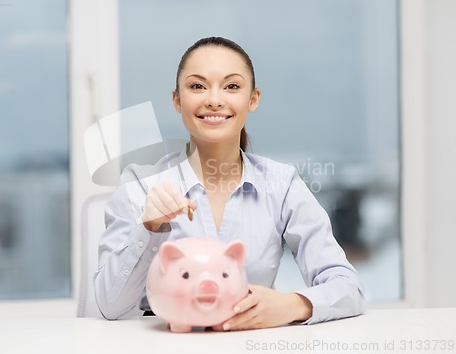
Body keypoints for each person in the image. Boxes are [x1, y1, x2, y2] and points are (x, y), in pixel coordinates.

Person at [94, 36, 365, 330]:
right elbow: (110, 306)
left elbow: (348, 287)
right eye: (197, 86)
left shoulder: (282, 185)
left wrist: (292, 305)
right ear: (177, 100)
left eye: (232, 86)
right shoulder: (140, 185)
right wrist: (148, 229)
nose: (214, 99)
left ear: (253, 99)